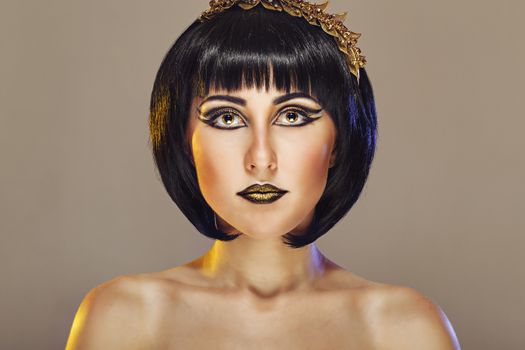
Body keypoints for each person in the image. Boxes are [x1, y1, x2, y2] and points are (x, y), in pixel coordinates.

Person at [66, 1, 461, 348]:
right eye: (227, 117)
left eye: (292, 116)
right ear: (184, 140)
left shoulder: (404, 329)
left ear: (339, 141)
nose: (260, 158)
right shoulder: (123, 317)